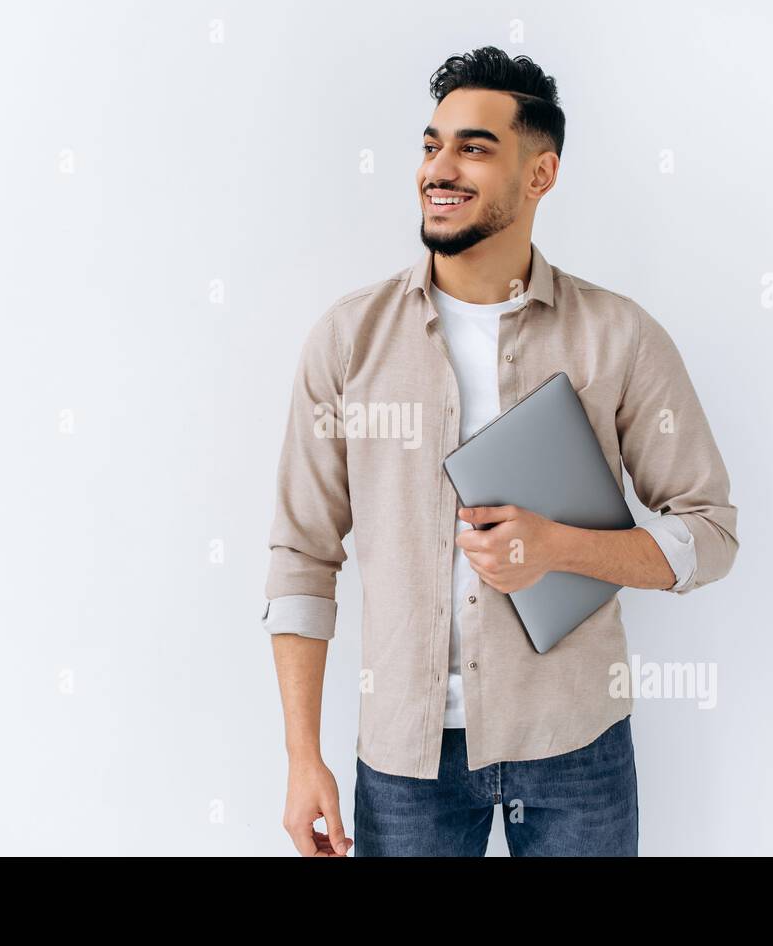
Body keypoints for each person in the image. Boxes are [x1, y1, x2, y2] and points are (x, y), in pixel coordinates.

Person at [262, 45, 739, 856]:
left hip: (575, 746)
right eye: (431, 144)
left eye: (473, 147)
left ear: (540, 175)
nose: (438, 169)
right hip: (403, 761)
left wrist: (558, 548)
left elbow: (711, 535)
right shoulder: (348, 341)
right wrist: (302, 757)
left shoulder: (619, 336)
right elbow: (301, 556)